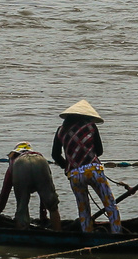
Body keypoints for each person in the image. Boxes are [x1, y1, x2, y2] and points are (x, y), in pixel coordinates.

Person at [52, 100, 121, 233]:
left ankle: (87, 235)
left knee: (83, 209)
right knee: (110, 205)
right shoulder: (90, 126)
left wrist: (67, 167)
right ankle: (117, 234)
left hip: (74, 175)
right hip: (93, 170)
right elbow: (99, 151)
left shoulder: (61, 130)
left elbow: (55, 155)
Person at [0, 142, 60, 230]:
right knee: (52, 205)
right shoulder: (38, 155)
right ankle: (58, 232)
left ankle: (21, 235)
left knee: (22, 208)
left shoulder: (14, 161)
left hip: (21, 165)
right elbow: (44, 193)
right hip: (40, 162)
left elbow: (5, 191)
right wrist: (43, 216)